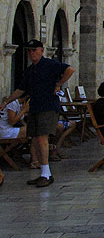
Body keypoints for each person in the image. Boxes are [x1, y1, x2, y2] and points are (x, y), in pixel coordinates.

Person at [1, 40, 73, 187]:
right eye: (29, 51)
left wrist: (58, 84)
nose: (31, 53)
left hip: (47, 106)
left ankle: (46, 174)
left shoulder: (50, 64)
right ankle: (42, 171)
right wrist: (7, 102)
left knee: (42, 138)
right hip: (34, 107)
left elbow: (70, 69)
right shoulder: (30, 70)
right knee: (34, 139)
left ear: (41, 50)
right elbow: (21, 89)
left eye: (34, 50)